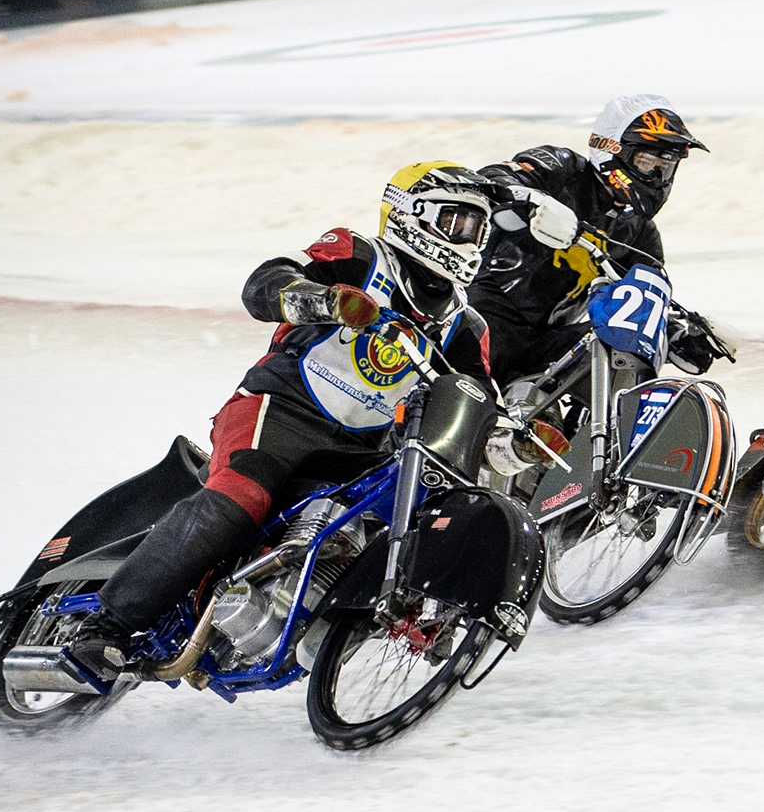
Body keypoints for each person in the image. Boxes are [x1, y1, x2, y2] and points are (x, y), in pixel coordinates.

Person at [67, 163, 551, 679]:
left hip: (362, 450)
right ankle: (106, 627)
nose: (468, 240)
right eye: (456, 222)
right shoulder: (358, 254)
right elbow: (264, 284)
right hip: (278, 410)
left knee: (373, 528)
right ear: (413, 214)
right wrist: (325, 300)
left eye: (477, 229)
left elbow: (476, 405)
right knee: (238, 501)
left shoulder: (465, 325)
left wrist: (515, 443)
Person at [471, 94, 730, 384]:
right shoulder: (562, 168)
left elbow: (637, 308)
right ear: (612, 149)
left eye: (665, 166)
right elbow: (487, 182)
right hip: (484, 316)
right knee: (480, 393)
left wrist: (676, 335)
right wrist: (535, 203)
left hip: (548, 342)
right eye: (647, 162)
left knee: (615, 352)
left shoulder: (642, 235)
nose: (657, 176)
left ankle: (603, 428)